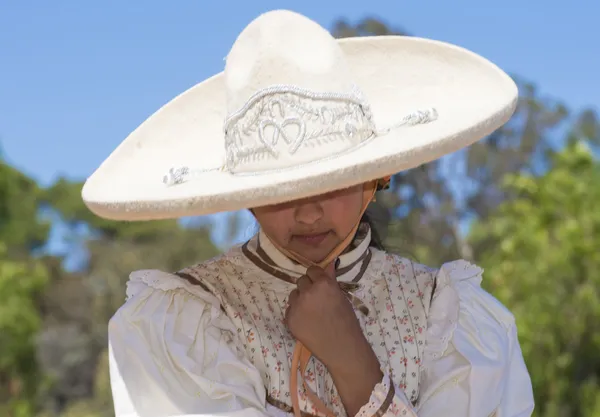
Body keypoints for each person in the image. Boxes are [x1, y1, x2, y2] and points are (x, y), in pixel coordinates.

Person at [82, 9, 534, 417]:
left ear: (377, 177)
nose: (309, 212)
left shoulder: (450, 318)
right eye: (280, 191)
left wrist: (353, 363)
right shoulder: (187, 325)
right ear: (246, 196)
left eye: (332, 182)